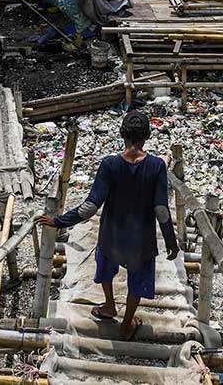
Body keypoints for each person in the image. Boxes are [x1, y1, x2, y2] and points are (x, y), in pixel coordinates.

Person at [36, 110, 179, 340]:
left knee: (105, 269)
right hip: (140, 240)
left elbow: (90, 206)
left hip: (111, 236)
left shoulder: (110, 164)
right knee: (137, 279)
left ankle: (110, 306)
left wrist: (58, 221)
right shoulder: (156, 166)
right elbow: (161, 210)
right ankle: (127, 323)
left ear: (122, 134)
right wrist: (171, 241)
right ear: (146, 136)